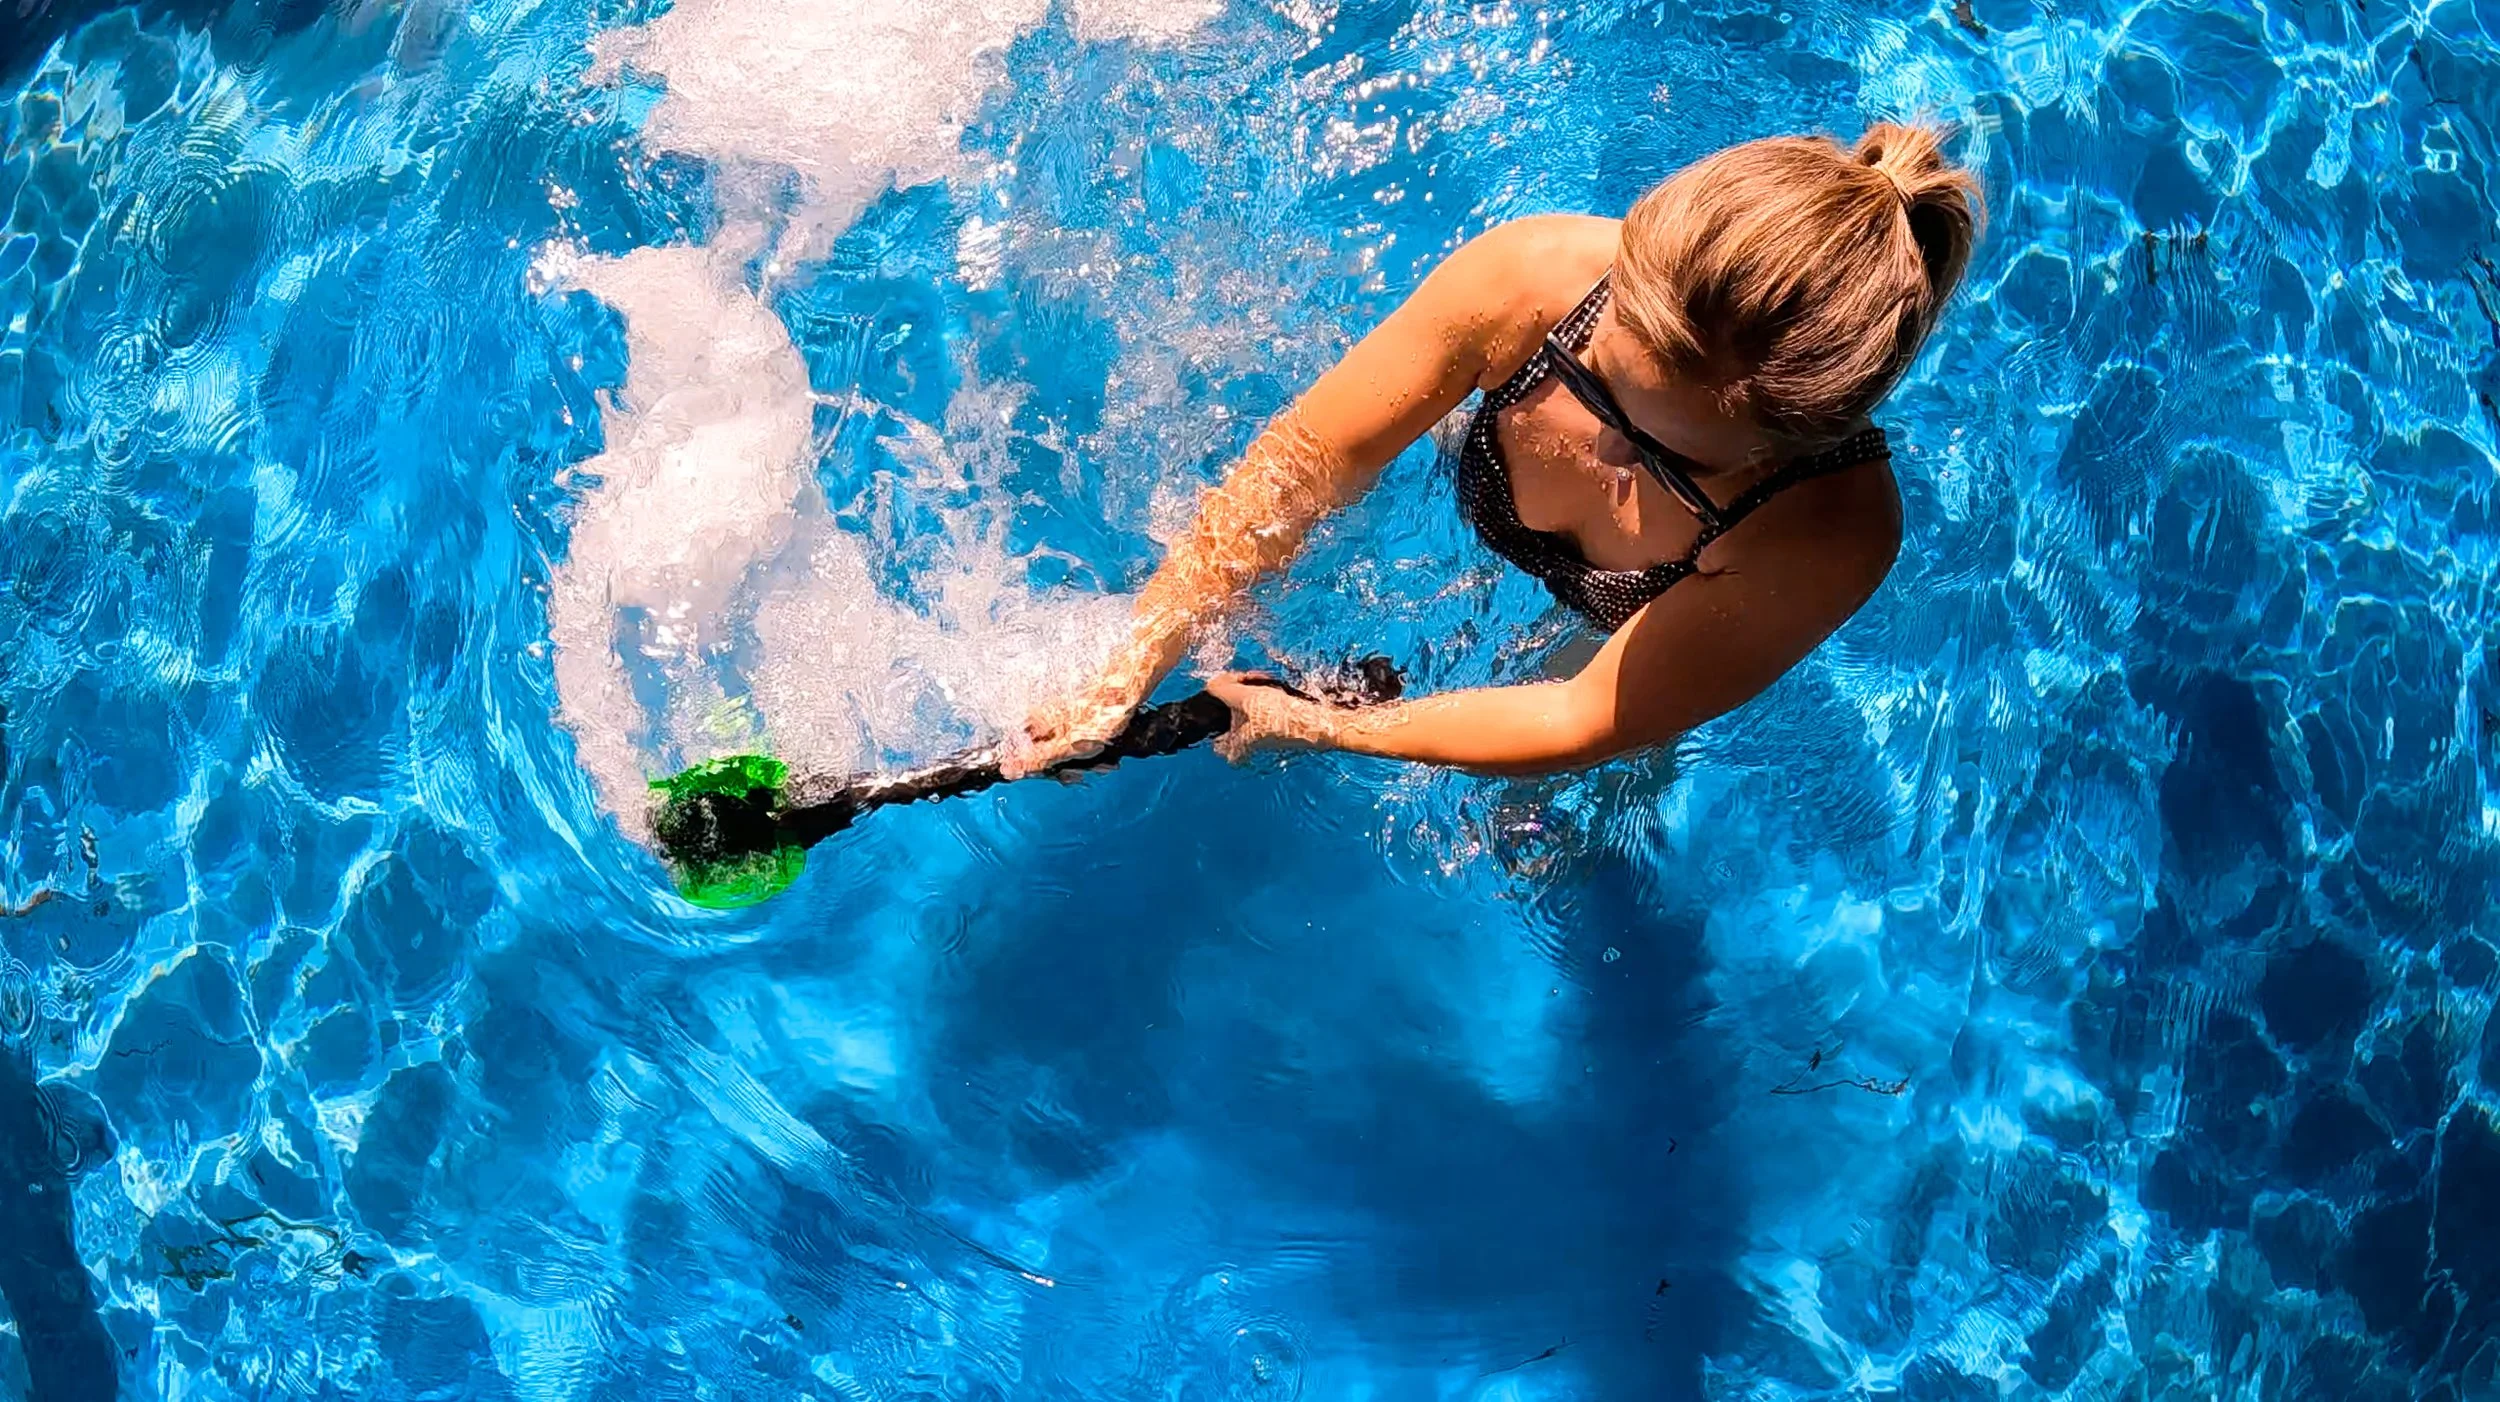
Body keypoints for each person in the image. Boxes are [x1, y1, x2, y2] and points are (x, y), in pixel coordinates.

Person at [1006, 122, 1981, 780]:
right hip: (1507, 409)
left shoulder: (1824, 531)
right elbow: (1309, 459)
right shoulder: (1533, 282)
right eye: (1598, 387)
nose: (1606, 447)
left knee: (1583, 793)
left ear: (1783, 444)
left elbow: (1578, 718)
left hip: (1621, 631)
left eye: (1666, 456)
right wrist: (1128, 667)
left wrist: (1327, 726)